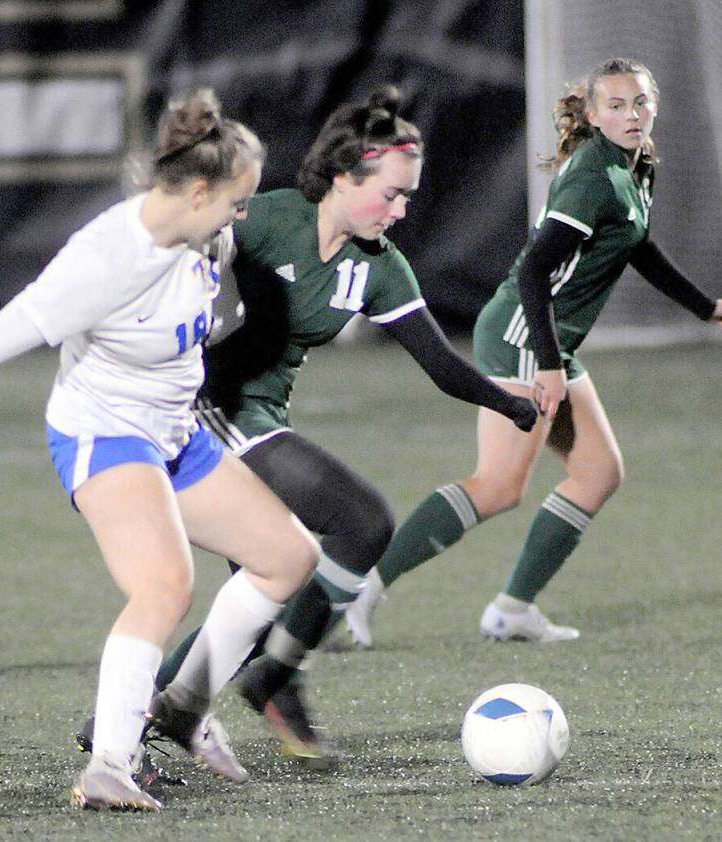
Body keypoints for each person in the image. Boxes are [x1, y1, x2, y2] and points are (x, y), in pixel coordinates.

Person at [0, 89, 320, 813]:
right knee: (163, 586)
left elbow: (197, 319)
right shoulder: (101, 261)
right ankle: (110, 767)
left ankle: (182, 708)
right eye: (237, 203)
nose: (241, 218)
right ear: (196, 191)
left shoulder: (202, 235)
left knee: (288, 558)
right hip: (103, 433)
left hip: (174, 432)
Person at [133, 86, 539, 768]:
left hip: (260, 418)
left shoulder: (379, 265)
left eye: (410, 196)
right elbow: (170, 256)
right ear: (345, 178)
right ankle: (273, 682)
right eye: (391, 193)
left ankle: (137, 717)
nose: (402, 209)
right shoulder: (265, 221)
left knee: (264, 599)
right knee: (360, 520)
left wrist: (511, 402)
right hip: (209, 412)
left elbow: (439, 362)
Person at [345, 58, 722, 648]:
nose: (631, 114)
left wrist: (703, 306)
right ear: (592, 115)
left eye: (639, 102)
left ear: (654, 104)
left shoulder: (636, 167)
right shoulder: (594, 176)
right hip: (522, 336)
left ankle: (512, 609)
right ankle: (363, 592)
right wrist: (551, 365)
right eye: (615, 105)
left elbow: (634, 243)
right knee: (498, 485)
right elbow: (534, 270)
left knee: (598, 472)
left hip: (547, 339)